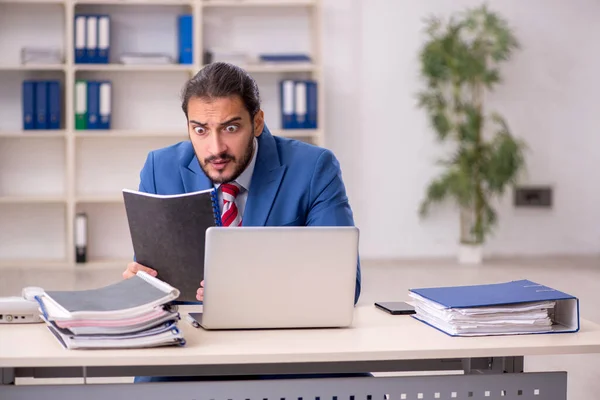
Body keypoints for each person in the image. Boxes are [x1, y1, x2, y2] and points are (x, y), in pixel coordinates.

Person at [123, 62, 366, 382]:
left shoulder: (314, 169)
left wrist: (249, 293)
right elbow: (155, 280)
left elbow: (344, 285)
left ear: (258, 122)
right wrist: (139, 287)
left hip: (286, 346)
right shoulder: (160, 168)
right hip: (192, 349)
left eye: (231, 128)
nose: (216, 148)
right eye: (200, 130)